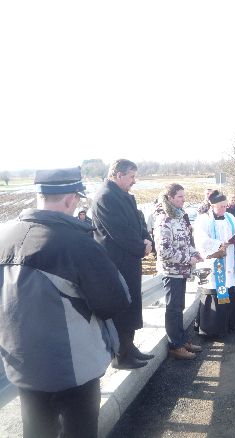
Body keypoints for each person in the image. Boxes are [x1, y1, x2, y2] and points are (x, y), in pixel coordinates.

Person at [0, 167, 130, 438]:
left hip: (23, 364)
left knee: (36, 431)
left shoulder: (4, 237)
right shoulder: (78, 244)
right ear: (71, 199)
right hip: (73, 369)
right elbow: (114, 301)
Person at [92, 159, 154, 369]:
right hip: (116, 263)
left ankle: (129, 348)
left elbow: (138, 223)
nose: (134, 181)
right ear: (118, 175)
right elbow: (120, 232)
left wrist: (146, 240)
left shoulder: (124, 196)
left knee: (132, 305)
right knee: (122, 307)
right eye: (131, 176)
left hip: (129, 260)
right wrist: (141, 246)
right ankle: (120, 356)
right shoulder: (106, 197)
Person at [153, 183, 204, 360]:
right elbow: (163, 252)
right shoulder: (164, 220)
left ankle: (182, 341)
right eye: (180, 196)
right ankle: (175, 345)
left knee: (179, 307)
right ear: (170, 198)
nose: (184, 199)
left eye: (184, 196)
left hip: (181, 271)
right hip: (171, 272)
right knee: (173, 309)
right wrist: (187, 259)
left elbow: (186, 241)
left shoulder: (179, 216)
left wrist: (194, 253)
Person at [193, 190, 235, 337]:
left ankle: (231, 324)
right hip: (214, 262)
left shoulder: (230, 218)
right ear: (212, 205)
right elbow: (201, 241)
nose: (224, 209)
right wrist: (219, 245)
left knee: (231, 290)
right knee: (214, 293)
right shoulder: (203, 220)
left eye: (225, 206)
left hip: (230, 261)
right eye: (221, 206)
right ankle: (212, 329)